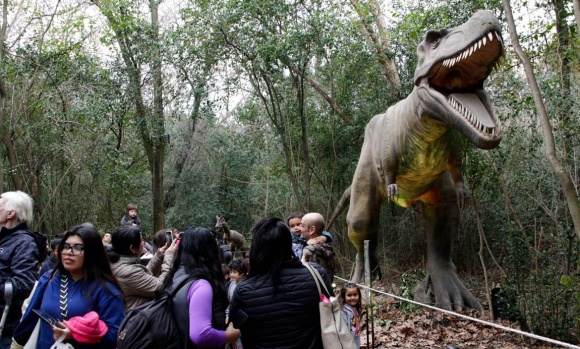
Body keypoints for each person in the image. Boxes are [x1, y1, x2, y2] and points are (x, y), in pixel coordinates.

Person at [12, 223, 125, 349]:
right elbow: (30, 317)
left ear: (92, 252)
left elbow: (116, 335)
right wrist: (17, 344)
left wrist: (77, 334)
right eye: (65, 247)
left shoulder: (106, 290)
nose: (68, 252)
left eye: (77, 248)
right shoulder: (50, 278)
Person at [229, 217, 332, 349]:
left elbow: (236, 327)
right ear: (288, 243)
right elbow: (330, 313)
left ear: (256, 247)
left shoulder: (243, 290)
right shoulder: (316, 274)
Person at [164, 226, 240, 348]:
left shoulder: (175, 275)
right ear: (209, 251)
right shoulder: (201, 286)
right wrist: (229, 336)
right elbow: (200, 335)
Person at [0, 191, 39, 348]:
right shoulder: (3, 239)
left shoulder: (25, 243)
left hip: (4, 327)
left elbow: (23, 285)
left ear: (10, 213)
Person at [108, 226, 177, 310]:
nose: (143, 243)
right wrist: (169, 256)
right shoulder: (127, 272)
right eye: (141, 241)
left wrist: (159, 255)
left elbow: (144, 275)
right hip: (138, 319)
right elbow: (160, 287)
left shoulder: (119, 262)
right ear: (132, 248)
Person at [300, 212, 336, 283]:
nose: (299, 228)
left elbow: (309, 279)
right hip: (327, 290)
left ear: (312, 230)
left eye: (302, 226)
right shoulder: (327, 246)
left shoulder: (309, 251)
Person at [339, 283, 363, 349]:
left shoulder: (355, 309)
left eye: (355, 295)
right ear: (344, 297)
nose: (353, 298)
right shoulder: (343, 312)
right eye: (349, 295)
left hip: (355, 340)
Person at [225, 258, 247, 322]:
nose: (231, 275)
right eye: (231, 272)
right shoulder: (231, 284)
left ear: (242, 273)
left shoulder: (245, 286)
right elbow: (229, 301)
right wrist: (227, 315)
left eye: (234, 272)